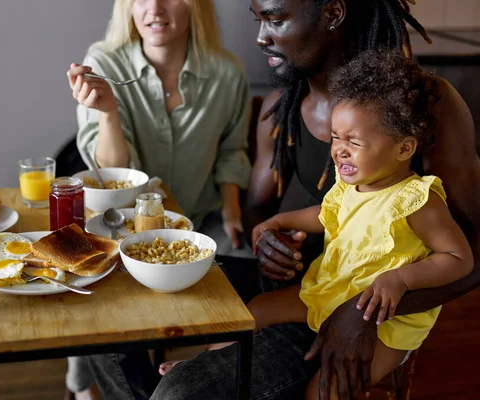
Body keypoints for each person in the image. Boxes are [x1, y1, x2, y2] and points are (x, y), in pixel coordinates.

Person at [151, 0, 480, 399]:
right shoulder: (281, 107)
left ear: (333, 13)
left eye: (275, 19)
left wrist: (362, 312)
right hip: (313, 282)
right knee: (144, 301)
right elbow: (281, 210)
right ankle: (198, 366)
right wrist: (268, 236)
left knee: (184, 392)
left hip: (372, 309)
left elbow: (468, 256)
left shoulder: (422, 106)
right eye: (258, 20)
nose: (260, 36)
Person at [65, 0, 252, 398]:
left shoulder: (226, 71)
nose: (155, 7)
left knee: (245, 276)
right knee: (92, 286)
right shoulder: (103, 63)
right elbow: (111, 171)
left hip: (197, 219)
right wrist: (109, 111)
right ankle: (89, 387)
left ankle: (194, 378)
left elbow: (232, 150)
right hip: (123, 223)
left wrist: (232, 208)